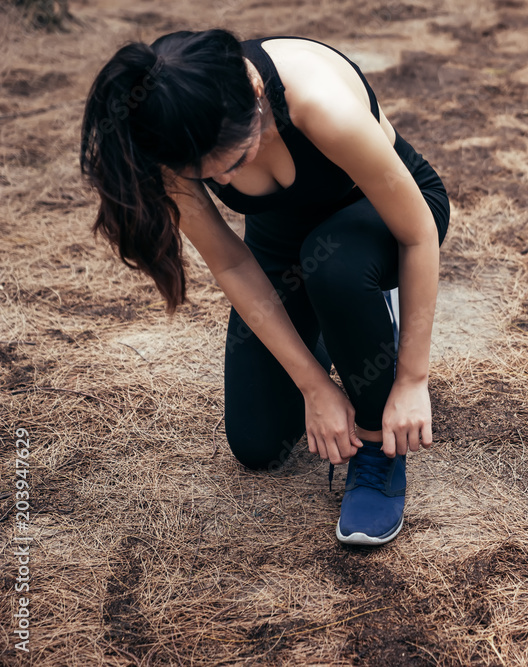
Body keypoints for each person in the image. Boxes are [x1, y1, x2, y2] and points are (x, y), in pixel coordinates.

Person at [79, 29, 450, 546]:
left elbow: (417, 233)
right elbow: (232, 263)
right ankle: (344, 322)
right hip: (288, 245)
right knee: (258, 443)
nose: (223, 184)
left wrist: (411, 379)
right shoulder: (172, 131)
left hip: (387, 220)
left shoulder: (319, 103)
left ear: (255, 97)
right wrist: (313, 385)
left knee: (337, 270)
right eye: (207, 175)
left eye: (233, 162)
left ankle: (377, 448)